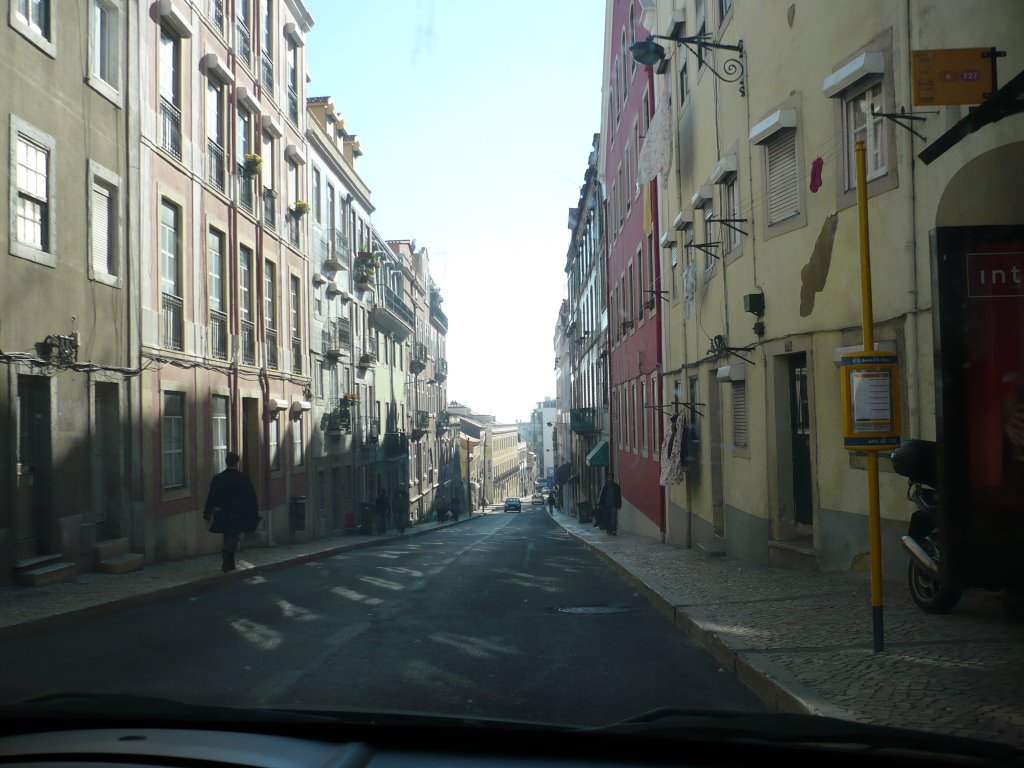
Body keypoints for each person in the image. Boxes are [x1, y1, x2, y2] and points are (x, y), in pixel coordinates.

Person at [203, 452, 259, 572]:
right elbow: (251, 498)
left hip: (222, 514)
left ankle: (230, 561)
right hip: (237, 514)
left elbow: (211, 497)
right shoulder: (243, 478)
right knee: (233, 536)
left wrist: (207, 513)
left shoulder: (218, 478)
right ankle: (227, 557)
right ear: (237, 462)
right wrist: (253, 514)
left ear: (226, 462)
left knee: (227, 535)